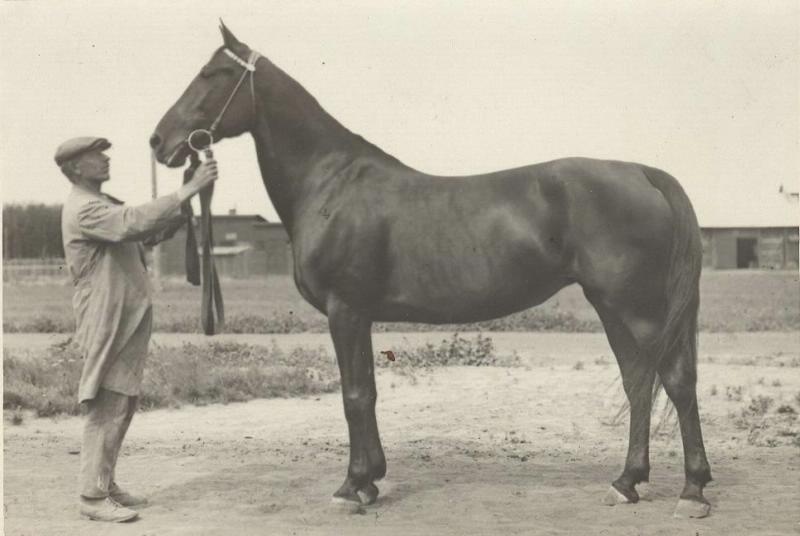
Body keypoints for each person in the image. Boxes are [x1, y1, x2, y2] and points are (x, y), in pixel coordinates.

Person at [56, 136, 217, 522]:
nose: (105, 158)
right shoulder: (84, 208)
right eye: (96, 155)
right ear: (76, 167)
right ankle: (91, 498)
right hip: (105, 316)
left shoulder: (102, 203)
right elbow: (131, 223)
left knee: (123, 401)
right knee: (107, 402)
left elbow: (146, 232)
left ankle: (103, 483)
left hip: (124, 316)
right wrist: (188, 188)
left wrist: (186, 204)